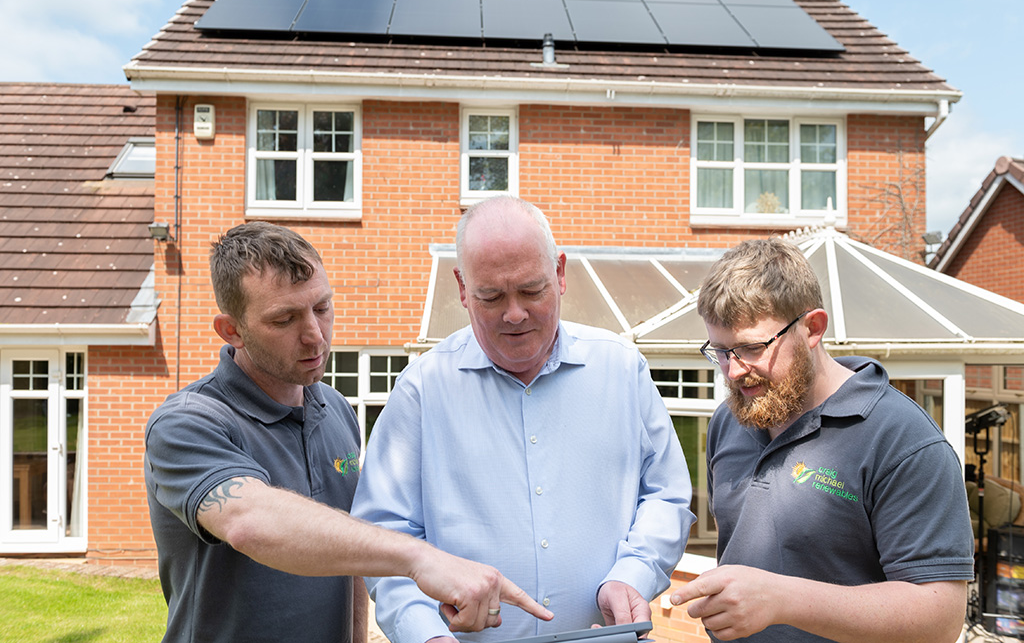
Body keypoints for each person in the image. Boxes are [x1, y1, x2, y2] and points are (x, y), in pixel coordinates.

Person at [144, 221, 552, 643]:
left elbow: (350, 551)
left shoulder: (334, 409)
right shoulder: (188, 423)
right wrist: (418, 558)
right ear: (232, 331)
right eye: (284, 319)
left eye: (321, 307)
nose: (314, 335)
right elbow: (249, 521)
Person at [351, 195, 695, 643]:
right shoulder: (422, 388)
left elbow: (666, 496)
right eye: (491, 296)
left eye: (532, 290)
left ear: (560, 273)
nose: (514, 314)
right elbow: (384, 535)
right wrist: (426, 634)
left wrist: (634, 573)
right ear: (461, 287)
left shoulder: (622, 370)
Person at [670, 237, 974, 643]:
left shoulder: (903, 440)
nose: (734, 371)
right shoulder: (730, 419)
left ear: (813, 328)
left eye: (751, 348)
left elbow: (940, 618)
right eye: (721, 351)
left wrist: (783, 600)